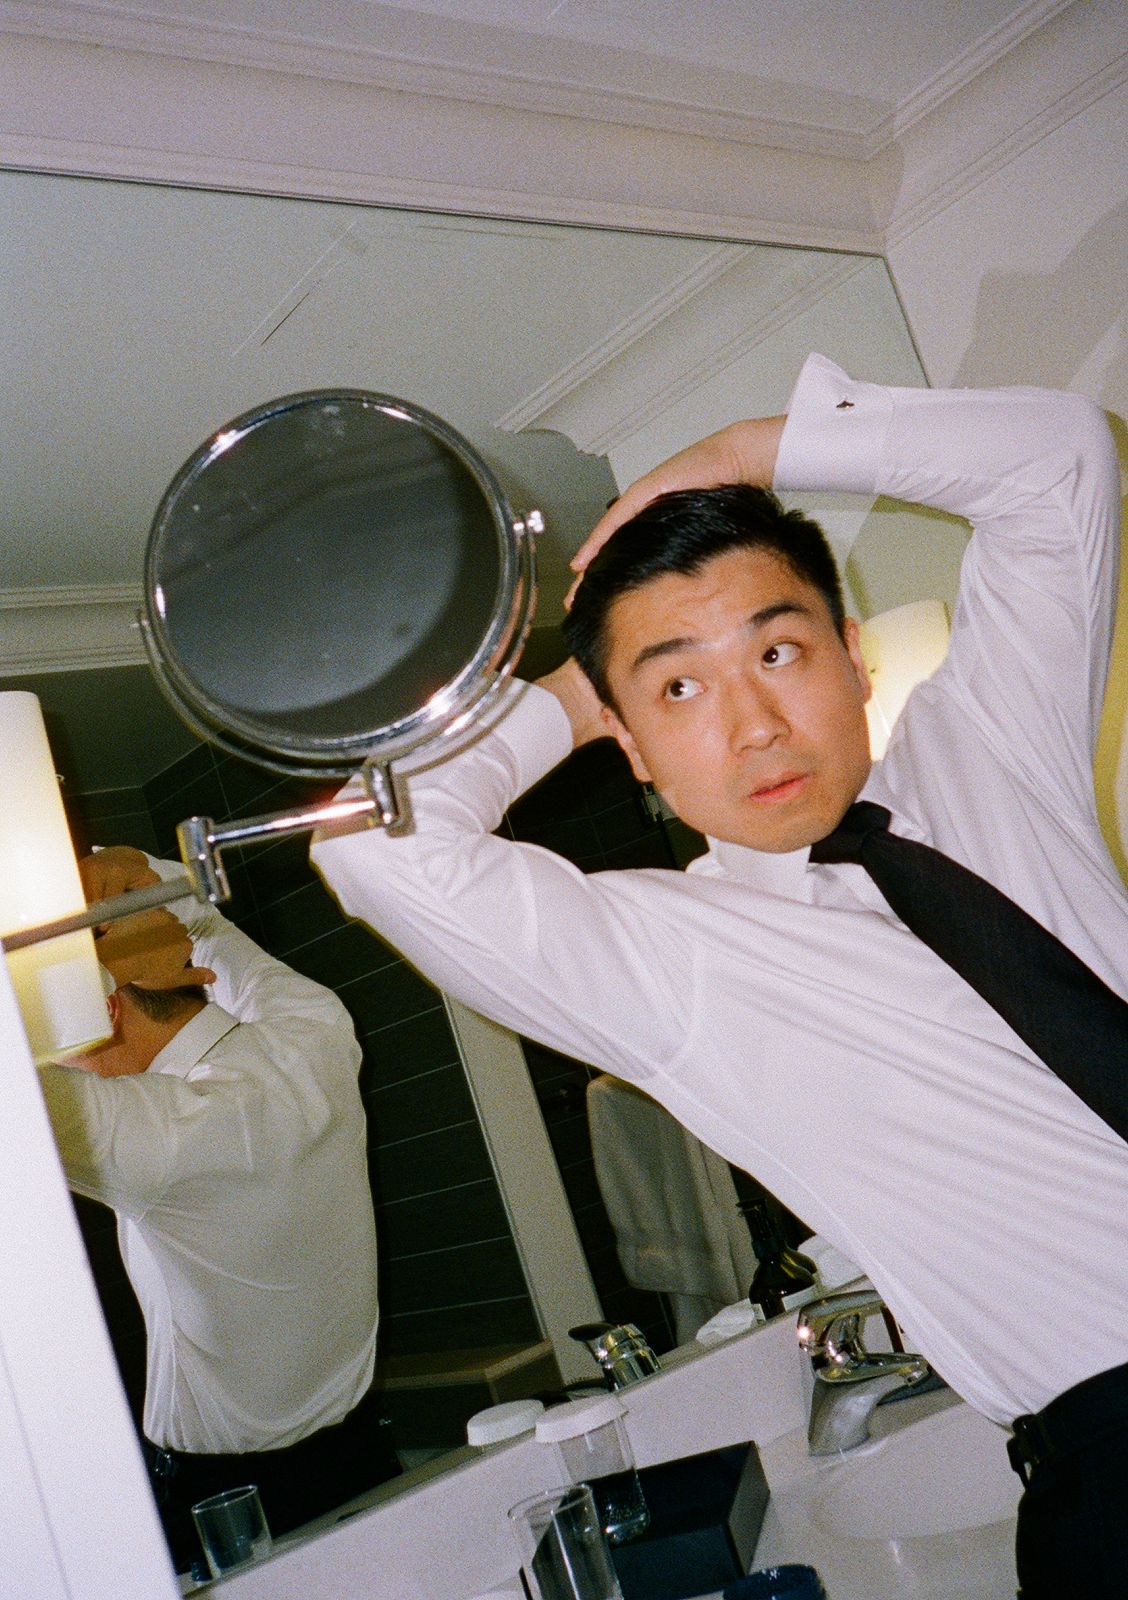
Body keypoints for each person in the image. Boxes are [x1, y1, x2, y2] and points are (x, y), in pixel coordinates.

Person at [309, 353, 1128, 1595]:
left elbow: (1058, 457)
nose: (753, 725)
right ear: (631, 747)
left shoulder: (989, 750)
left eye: (779, 653)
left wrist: (751, 450)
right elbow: (371, 847)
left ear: (853, 654)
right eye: (682, 688)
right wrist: (580, 690)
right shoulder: (668, 961)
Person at [38, 846, 398, 1573]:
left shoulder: (159, 1138)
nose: (60, 1061)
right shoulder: (313, 1029)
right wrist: (126, 869)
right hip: (363, 1462)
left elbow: (14, 1099)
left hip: (231, 1507)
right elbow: (208, 925)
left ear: (106, 1011)